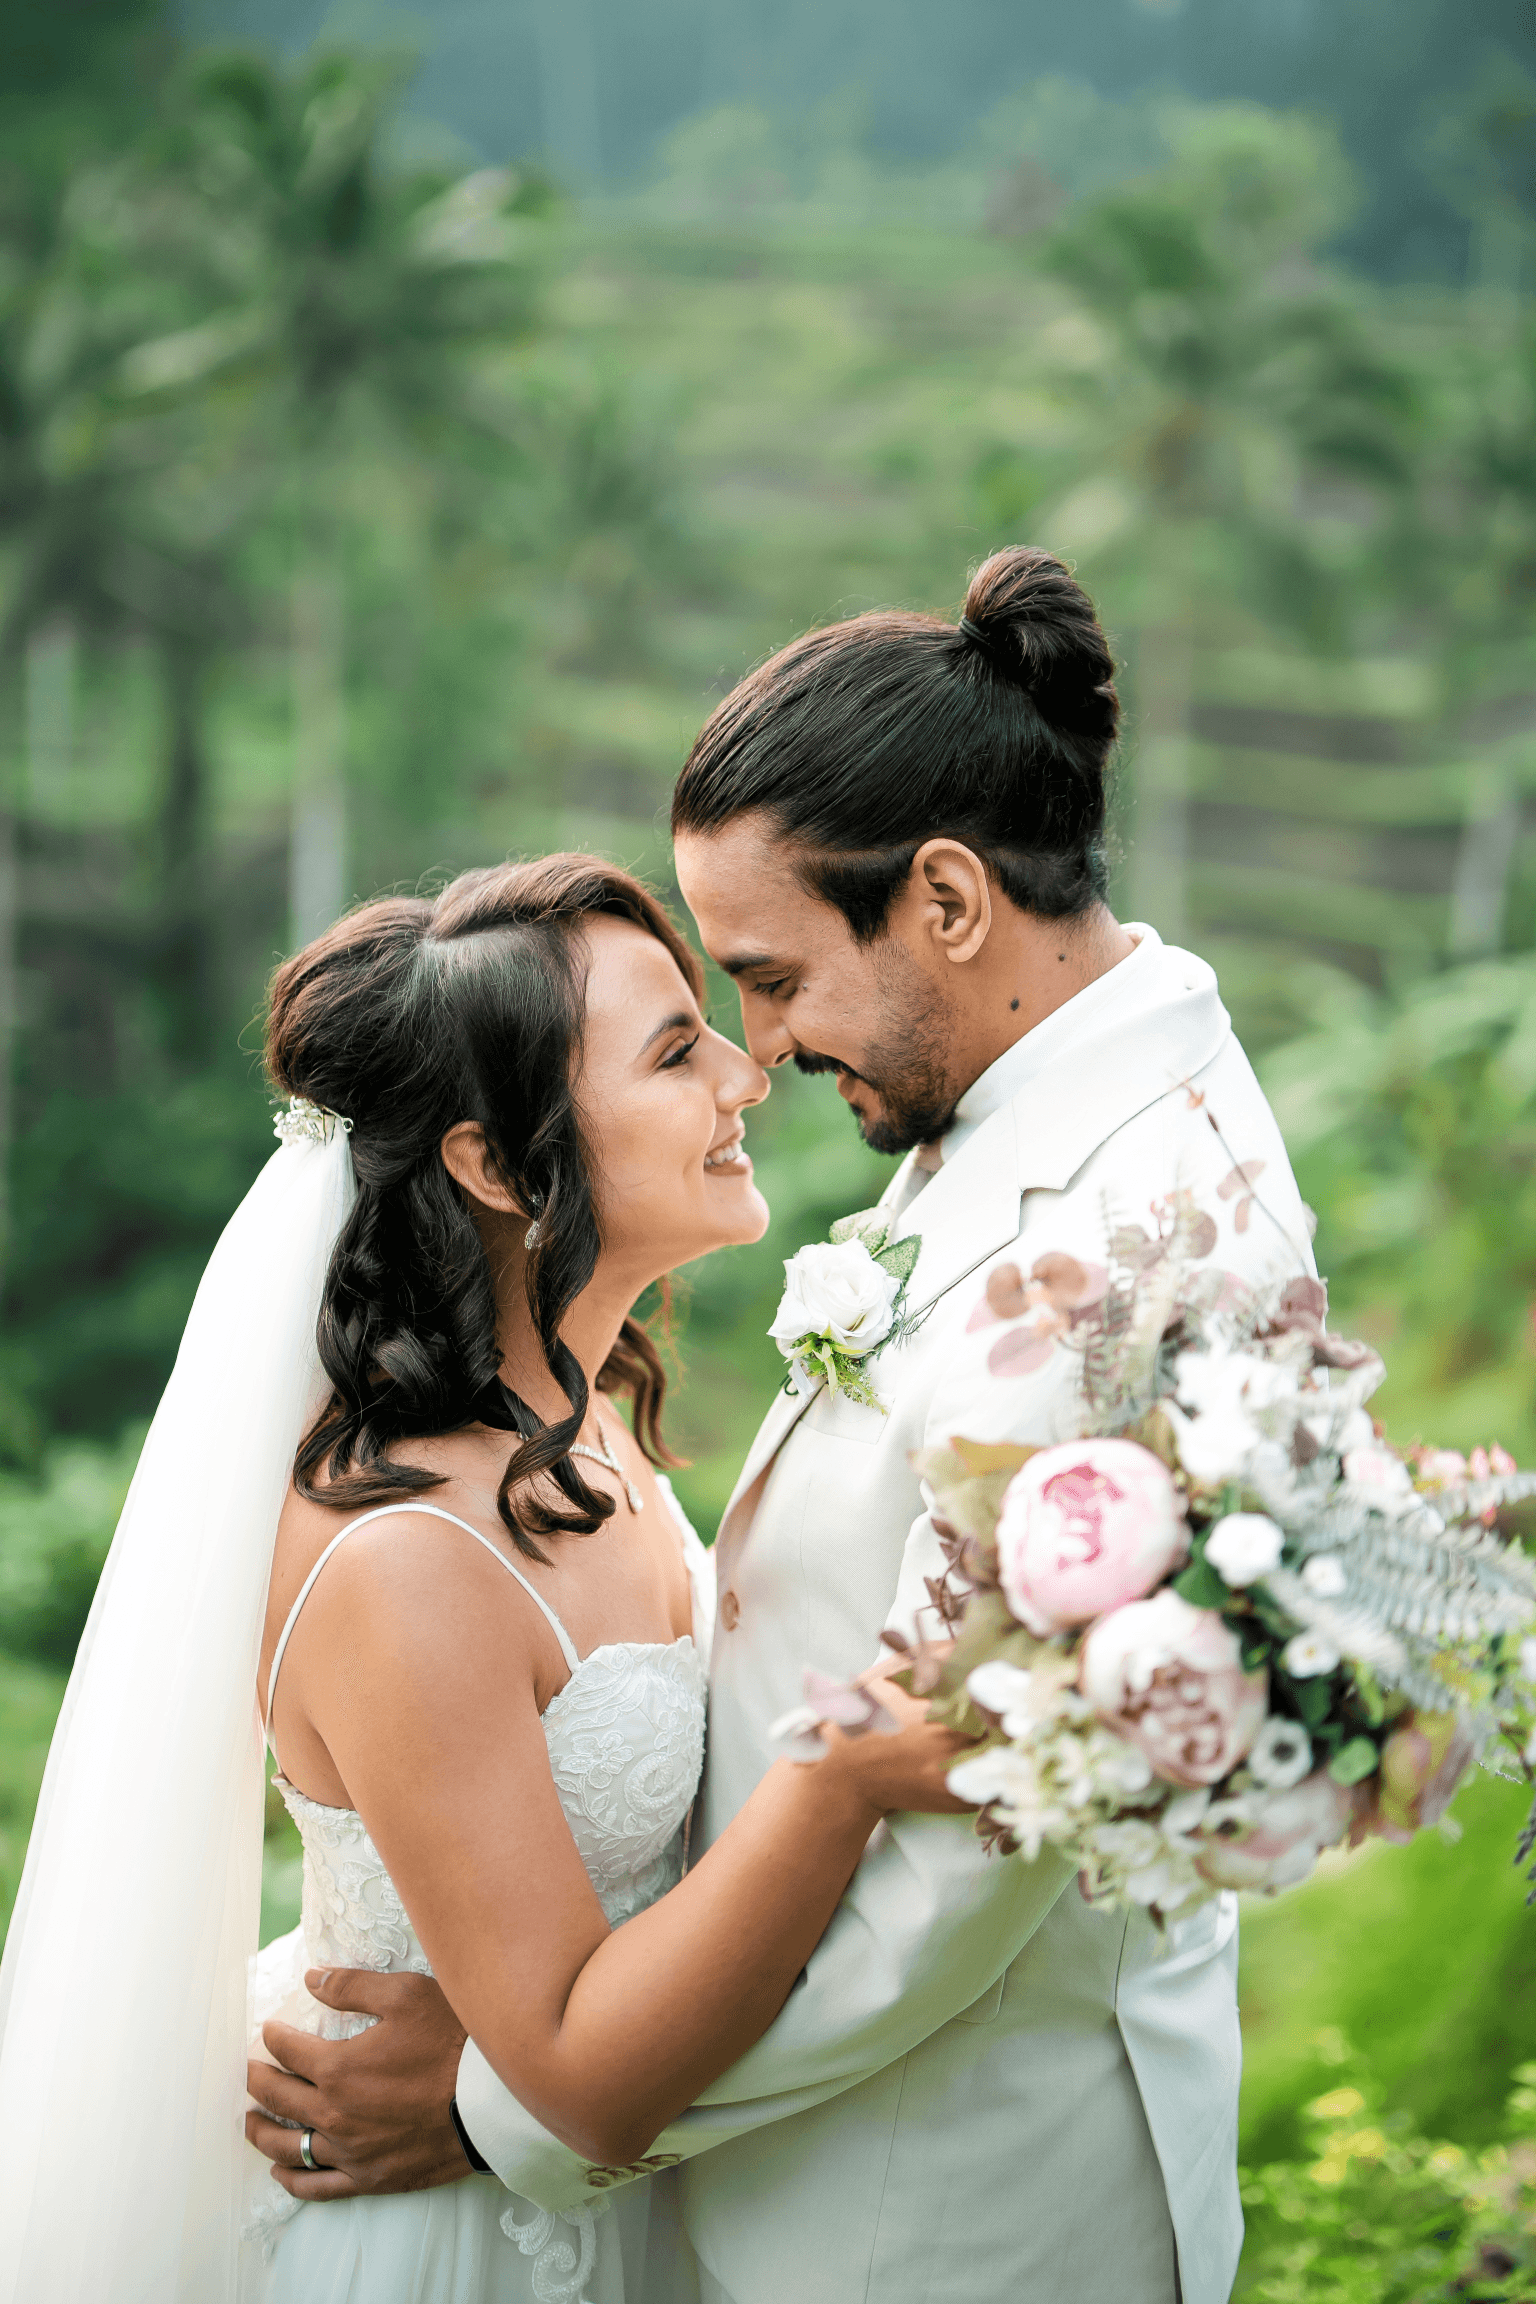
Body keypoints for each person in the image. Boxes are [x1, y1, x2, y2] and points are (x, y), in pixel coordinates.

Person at [257, 546, 1316, 2304]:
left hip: (947, 2205)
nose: (757, 1056)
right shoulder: (1025, 1109)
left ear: (952, 904)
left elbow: (951, 1879)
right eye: (693, 1032)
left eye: (764, 980)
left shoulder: (1129, 1249)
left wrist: (503, 2101)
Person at [0, 855, 970, 2304]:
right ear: (501, 1166)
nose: (745, 1074)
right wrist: (845, 1779)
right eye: (672, 1050)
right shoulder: (410, 1562)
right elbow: (575, 2066)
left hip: (596, 2195)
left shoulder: (581, 1443)